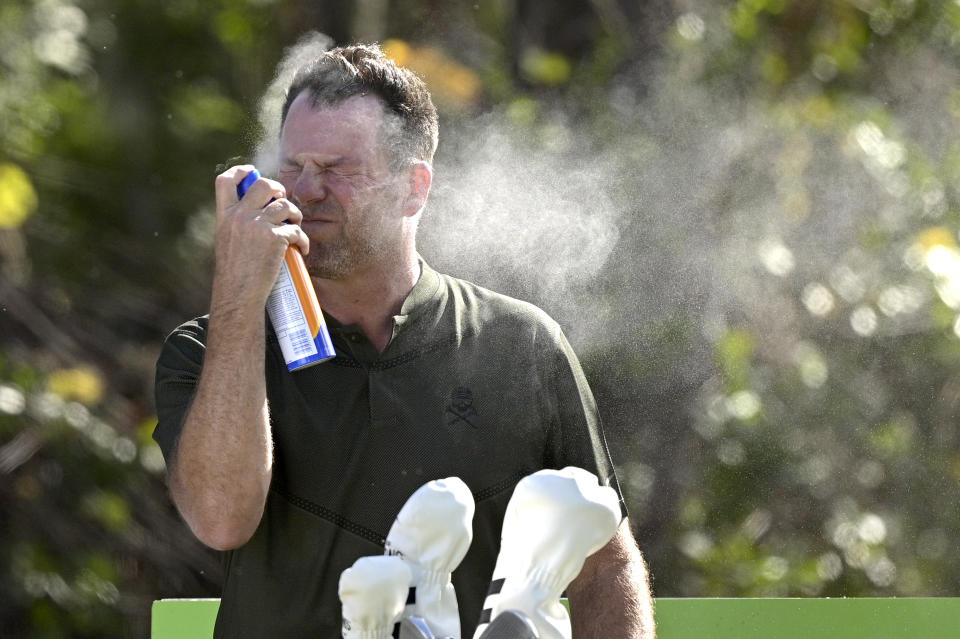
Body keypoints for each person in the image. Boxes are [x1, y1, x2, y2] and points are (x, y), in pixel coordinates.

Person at [154, 43, 655, 638]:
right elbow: (220, 519)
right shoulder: (208, 349)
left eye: (339, 169)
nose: (306, 190)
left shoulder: (521, 347)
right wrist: (239, 294)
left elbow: (605, 567)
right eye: (293, 166)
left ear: (413, 187)